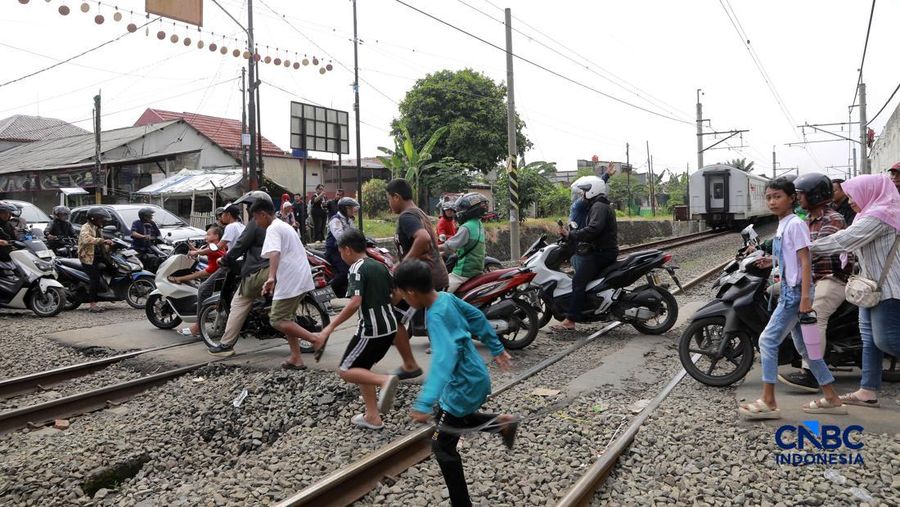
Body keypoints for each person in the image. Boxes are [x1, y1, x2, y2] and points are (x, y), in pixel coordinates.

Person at [394, 259, 518, 507]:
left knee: (442, 448)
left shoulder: (436, 317)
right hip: (475, 376)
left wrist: (424, 402)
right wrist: (496, 348)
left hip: (462, 384)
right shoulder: (445, 298)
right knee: (453, 417)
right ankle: (502, 423)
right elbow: (476, 317)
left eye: (402, 295)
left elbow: (443, 361)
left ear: (411, 292)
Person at [739, 178, 845, 420]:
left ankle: (768, 400)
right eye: (768, 197)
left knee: (767, 340)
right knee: (806, 349)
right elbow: (793, 258)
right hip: (792, 289)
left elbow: (806, 261)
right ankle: (831, 397)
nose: (772, 201)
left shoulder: (795, 224)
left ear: (791, 198)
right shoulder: (785, 223)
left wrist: (805, 297)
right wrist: (772, 262)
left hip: (795, 293)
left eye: (777, 196)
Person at [810, 174, 900, 409]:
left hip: (889, 288)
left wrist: (805, 248)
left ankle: (868, 389)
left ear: (869, 191)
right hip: (869, 287)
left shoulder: (880, 215)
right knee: (869, 341)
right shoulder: (868, 214)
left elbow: (845, 239)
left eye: (852, 195)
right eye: (848, 196)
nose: (849, 200)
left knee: (888, 342)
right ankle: (867, 391)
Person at [315, 229, 400, 429]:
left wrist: (329, 328)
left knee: (346, 370)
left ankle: (385, 381)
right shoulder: (381, 266)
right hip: (390, 327)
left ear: (347, 250)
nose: (341, 257)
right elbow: (396, 294)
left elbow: (355, 302)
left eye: (341, 252)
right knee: (362, 368)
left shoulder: (356, 268)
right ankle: (373, 416)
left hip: (371, 330)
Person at [778, 173, 853, 392]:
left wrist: (795, 255)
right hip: (812, 278)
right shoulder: (804, 219)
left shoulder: (833, 219)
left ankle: (811, 374)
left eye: (801, 194)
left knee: (814, 315)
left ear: (814, 195)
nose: (798, 198)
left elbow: (815, 248)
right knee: (774, 294)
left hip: (832, 278)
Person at [387, 178, 448, 379]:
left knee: (392, 315)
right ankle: (444, 374)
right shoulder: (419, 212)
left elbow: (422, 238)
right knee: (437, 327)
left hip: (421, 279)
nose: (389, 204)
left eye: (389, 199)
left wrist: (402, 265)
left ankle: (411, 365)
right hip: (432, 275)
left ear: (396, 196)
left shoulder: (407, 217)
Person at [251, 197, 322, 369]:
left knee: (276, 320)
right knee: (287, 318)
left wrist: (271, 278)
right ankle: (296, 358)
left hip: (291, 278)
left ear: (263, 214)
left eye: (255, 217)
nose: (255, 221)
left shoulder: (273, 228)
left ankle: (315, 339)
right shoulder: (283, 226)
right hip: (298, 275)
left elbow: (274, 253)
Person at [207, 191, 273, 357]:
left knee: (239, 303)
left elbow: (240, 245)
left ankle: (226, 344)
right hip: (279, 268)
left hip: (259, 269)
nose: (250, 210)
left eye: (251, 206)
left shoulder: (255, 223)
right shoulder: (277, 221)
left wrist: (226, 259)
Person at [554, 176, 618, 331]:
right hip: (604, 251)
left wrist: (571, 235)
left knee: (578, 281)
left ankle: (570, 320)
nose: (582, 195)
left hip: (601, 253)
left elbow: (593, 229)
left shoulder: (598, 207)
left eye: (584, 191)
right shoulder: (601, 205)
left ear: (593, 191)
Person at [174, 225, 224, 337]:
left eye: (208, 234)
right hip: (216, 271)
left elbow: (210, 254)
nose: (206, 236)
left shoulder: (214, 247)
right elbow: (207, 252)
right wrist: (194, 249)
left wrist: (195, 253)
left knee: (201, 289)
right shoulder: (215, 246)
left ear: (216, 236)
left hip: (215, 272)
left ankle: (197, 325)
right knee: (197, 276)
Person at [440, 193, 487, 293]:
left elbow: (449, 245)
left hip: (464, 271)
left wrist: (431, 248)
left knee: (443, 292)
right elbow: (463, 246)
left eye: (461, 210)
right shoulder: (478, 224)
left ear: (469, 211)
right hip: (477, 268)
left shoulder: (466, 227)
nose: (458, 213)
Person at [78, 207, 115, 313]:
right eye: (100, 219)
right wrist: (102, 241)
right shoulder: (86, 227)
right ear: (94, 218)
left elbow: (102, 246)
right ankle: (92, 304)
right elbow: (86, 239)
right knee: (95, 279)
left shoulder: (97, 228)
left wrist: (111, 245)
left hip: (98, 256)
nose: (102, 221)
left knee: (113, 269)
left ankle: (108, 293)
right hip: (88, 257)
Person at [324, 197, 360, 298]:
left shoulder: (348, 220)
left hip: (345, 250)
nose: (353, 210)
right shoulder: (335, 220)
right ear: (344, 208)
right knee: (345, 271)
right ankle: (328, 292)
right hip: (334, 251)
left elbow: (355, 232)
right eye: (351, 208)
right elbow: (339, 236)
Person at [131, 207, 162, 271]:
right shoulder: (136, 223)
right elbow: (134, 233)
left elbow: (158, 234)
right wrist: (144, 236)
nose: (151, 217)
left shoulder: (152, 223)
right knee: (137, 264)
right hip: (138, 248)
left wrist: (160, 239)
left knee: (160, 258)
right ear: (144, 217)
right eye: (150, 216)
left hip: (150, 247)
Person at [0, 202, 20, 269]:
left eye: (8, 213)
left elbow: (14, 238)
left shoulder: (8, 225)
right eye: (3, 213)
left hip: (10, 256)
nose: (6, 215)